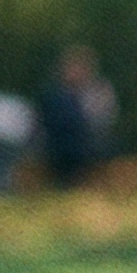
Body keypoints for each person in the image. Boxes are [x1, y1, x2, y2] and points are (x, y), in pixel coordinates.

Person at [38, 45, 117, 188]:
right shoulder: (55, 94)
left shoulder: (98, 91)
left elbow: (101, 120)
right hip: (59, 146)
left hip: (88, 145)